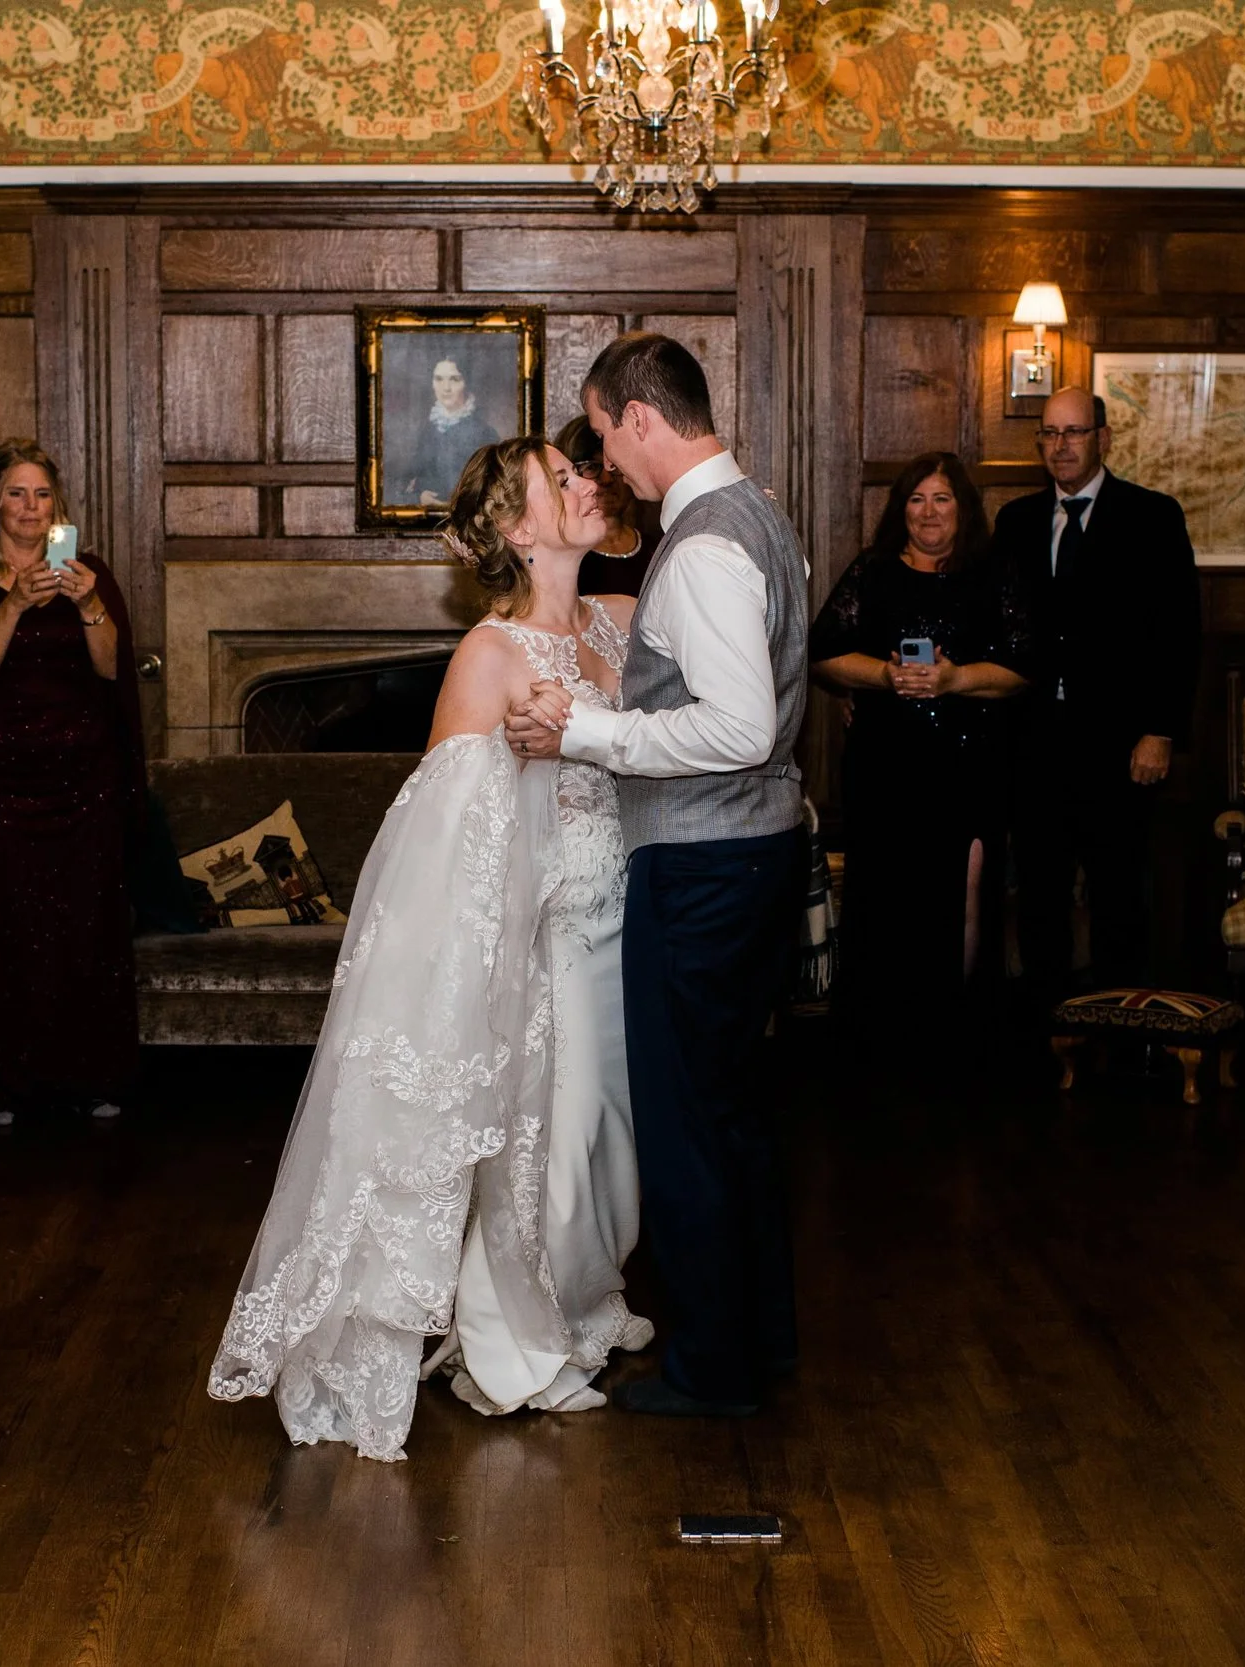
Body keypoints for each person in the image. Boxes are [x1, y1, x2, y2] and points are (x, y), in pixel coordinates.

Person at [211, 436, 650, 1461]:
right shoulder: (487, 656)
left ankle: (583, 1300)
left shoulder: (622, 621)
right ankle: (511, 1345)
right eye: (564, 478)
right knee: (548, 1135)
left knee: (608, 1142)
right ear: (515, 526)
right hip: (544, 934)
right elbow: (442, 830)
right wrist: (513, 754)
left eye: (584, 472)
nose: (589, 484)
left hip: (629, 918)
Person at [506, 331, 809, 1420]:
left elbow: (738, 726)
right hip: (748, 851)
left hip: (706, 864)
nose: (604, 462)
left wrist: (590, 732)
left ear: (641, 416)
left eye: (600, 433)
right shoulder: (758, 515)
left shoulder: (705, 548)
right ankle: (757, 1338)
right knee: (731, 1113)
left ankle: (711, 1365)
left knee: (688, 1120)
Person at [0, 440, 143, 1129]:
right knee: (6, 931)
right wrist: (14, 604)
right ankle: (2, 1081)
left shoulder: (88, 571)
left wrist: (90, 605)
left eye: (41, 495)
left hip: (82, 782)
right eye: (16, 493)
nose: (29, 507)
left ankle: (91, 1073)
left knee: (86, 928)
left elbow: (112, 670)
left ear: (58, 506)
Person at [989, 387, 1202, 1010]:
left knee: (1118, 898)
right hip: (1034, 744)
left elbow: (1180, 634)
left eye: (1074, 433)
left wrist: (1160, 730)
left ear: (1104, 439)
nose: (1061, 446)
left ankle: (1120, 1029)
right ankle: (1050, 1031)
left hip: (1121, 745)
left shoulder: (1153, 517)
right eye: (1050, 434)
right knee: (1039, 895)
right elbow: (994, 628)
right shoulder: (1017, 522)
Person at [809, 452, 1026, 1037]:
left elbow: (1023, 666)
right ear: (900, 509)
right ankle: (887, 1034)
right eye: (916, 499)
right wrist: (882, 676)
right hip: (887, 769)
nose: (929, 512)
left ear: (964, 508)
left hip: (971, 766)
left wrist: (957, 679)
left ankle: (959, 1031)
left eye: (942, 499)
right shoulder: (873, 571)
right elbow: (823, 651)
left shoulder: (994, 573)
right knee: (888, 898)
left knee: (966, 895)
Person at [558, 412, 660, 596]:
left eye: (614, 467)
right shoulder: (563, 559)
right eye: (591, 468)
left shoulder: (658, 549)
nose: (605, 479)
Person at [390, 355, 498, 507]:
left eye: (454, 379)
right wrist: (418, 498)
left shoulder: (485, 433)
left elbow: (496, 490)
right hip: (426, 520)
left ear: (466, 383)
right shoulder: (425, 431)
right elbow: (400, 481)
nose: (446, 388)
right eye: (439, 379)